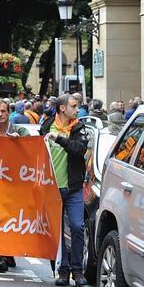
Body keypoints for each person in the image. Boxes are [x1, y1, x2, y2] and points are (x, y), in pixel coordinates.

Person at [41, 94, 89, 286]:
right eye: (74, 106)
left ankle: (78, 271)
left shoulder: (78, 127)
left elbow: (79, 150)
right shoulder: (46, 126)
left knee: (77, 227)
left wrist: (60, 139)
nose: (77, 110)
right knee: (57, 231)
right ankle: (63, 271)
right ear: (62, 108)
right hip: (52, 189)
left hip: (73, 188)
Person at [0, 99, 28, 272]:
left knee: (11, 220)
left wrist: (21, 143)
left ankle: (9, 253)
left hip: (15, 184)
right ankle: (1, 256)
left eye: (4, 111)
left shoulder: (20, 131)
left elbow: (33, 150)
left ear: (9, 112)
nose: (1, 115)